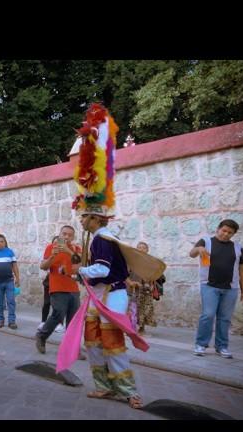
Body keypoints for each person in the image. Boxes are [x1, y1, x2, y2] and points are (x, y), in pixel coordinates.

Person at [58, 103, 164, 410]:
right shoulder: (99, 238)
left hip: (111, 295)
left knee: (111, 344)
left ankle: (128, 389)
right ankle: (104, 386)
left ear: (95, 218)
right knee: (92, 343)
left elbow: (102, 270)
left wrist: (80, 268)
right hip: (100, 297)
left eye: (83, 218)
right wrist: (79, 268)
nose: (80, 222)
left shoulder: (103, 239)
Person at [191, 219, 243, 358]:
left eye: (230, 232)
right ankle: (201, 344)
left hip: (230, 288)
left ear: (233, 234)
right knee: (208, 315)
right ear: (218, 229)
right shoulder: (205, 241)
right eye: (224, 230)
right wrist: (198, 249)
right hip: (209, 285)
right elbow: (192, 253)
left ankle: (222, 346)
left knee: (225, 318)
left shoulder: (238, 248)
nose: (226, 234)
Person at [35, 226, 82, 349]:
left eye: (70, 235)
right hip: (57, 287)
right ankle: (42, 335)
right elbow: (43, 266)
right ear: (60, 234)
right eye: (64, 234)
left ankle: (71, 349)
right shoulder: (51, 247)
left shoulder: (76, 249)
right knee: (59, 314)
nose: (66, 237)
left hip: (73, 288)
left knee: (73, 320)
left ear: (73, 237)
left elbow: (81, 263)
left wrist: (69, 251)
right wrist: (52, 256)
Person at [127, 241, 165, 334]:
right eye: (139, 247)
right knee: (132, 308)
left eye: (143, 247)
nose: (141, 249)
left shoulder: (151, 262)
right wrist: (130, 282)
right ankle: (130, 327)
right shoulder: (132, 261)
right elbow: (126, 273)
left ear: (147, 250)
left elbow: (160, 274)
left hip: (146, 289)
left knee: (143, 309)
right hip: (134, 288)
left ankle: (141, 328)